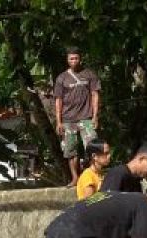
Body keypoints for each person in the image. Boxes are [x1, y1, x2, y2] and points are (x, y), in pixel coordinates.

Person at [47, 47, 101, 186]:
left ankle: (93, 175)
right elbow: (58, 100)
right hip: (68, 119)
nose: (74, 61)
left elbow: (95, 95)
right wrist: (59, 122)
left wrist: (95, 116)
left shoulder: (89, 74)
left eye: (76, 58)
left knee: (93, 147)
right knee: (70, 151)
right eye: (71, 58)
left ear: (80, 58)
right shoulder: (61, 78)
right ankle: (75, 178)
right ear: (67, 60)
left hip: (86, 118)